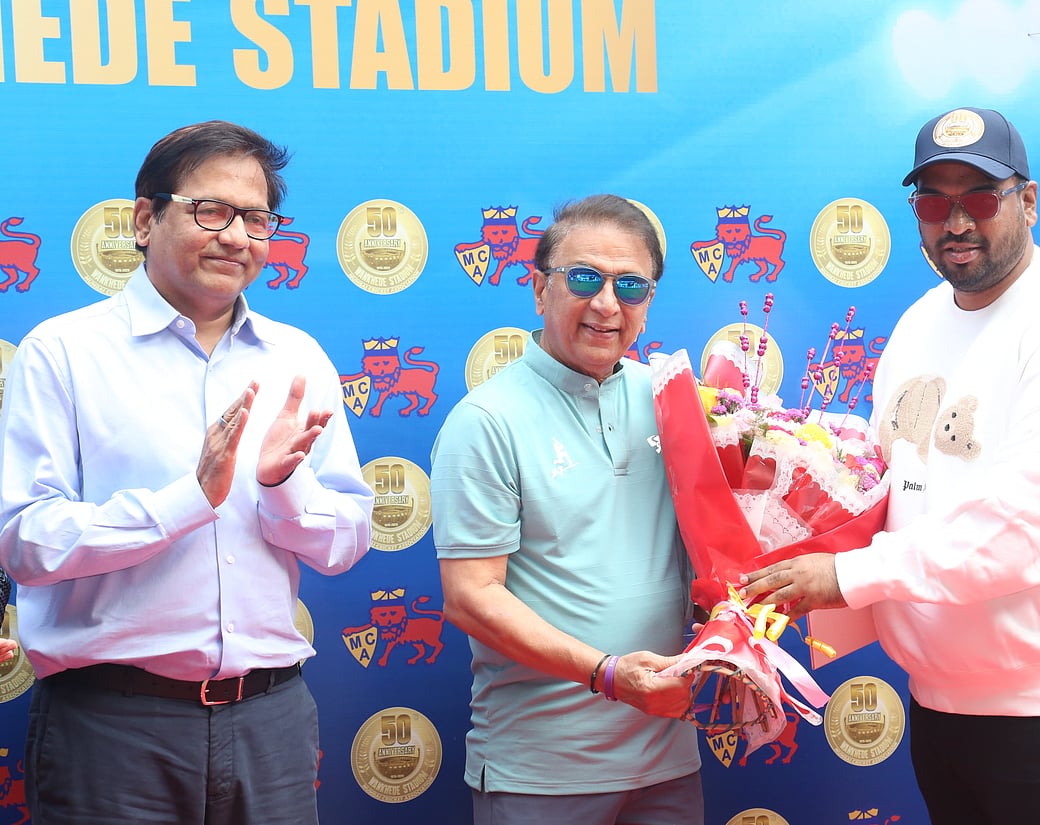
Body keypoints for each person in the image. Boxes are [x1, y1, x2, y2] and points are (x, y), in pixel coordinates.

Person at [742, 107, 1040, 825]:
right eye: (932, 201)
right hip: (944, 702)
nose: (956, 222)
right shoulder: (920, 323)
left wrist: (844, 577)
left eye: (979, 197)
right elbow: (889, 487)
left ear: (1028, 202)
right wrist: (778, 525)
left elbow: (1023, 522)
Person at [0, 120, 374, 825]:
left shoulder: (298, 360)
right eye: (212, 210)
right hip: (111, 727)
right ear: (146, 219)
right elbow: (25, 539)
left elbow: (346, 541)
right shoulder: (65, 352)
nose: (237, 236)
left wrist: (281, 488)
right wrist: (186, 499)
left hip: (272, 722)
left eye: (257, 218)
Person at [430, 194, 702, 825]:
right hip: (542, 772)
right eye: (585, 279)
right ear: (539, 290)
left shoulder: (676, 403)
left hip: (668, 756)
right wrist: (607, 674)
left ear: (649, 302)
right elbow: (471, 598)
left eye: (630, 286)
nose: (607, 304)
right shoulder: (487, 420)